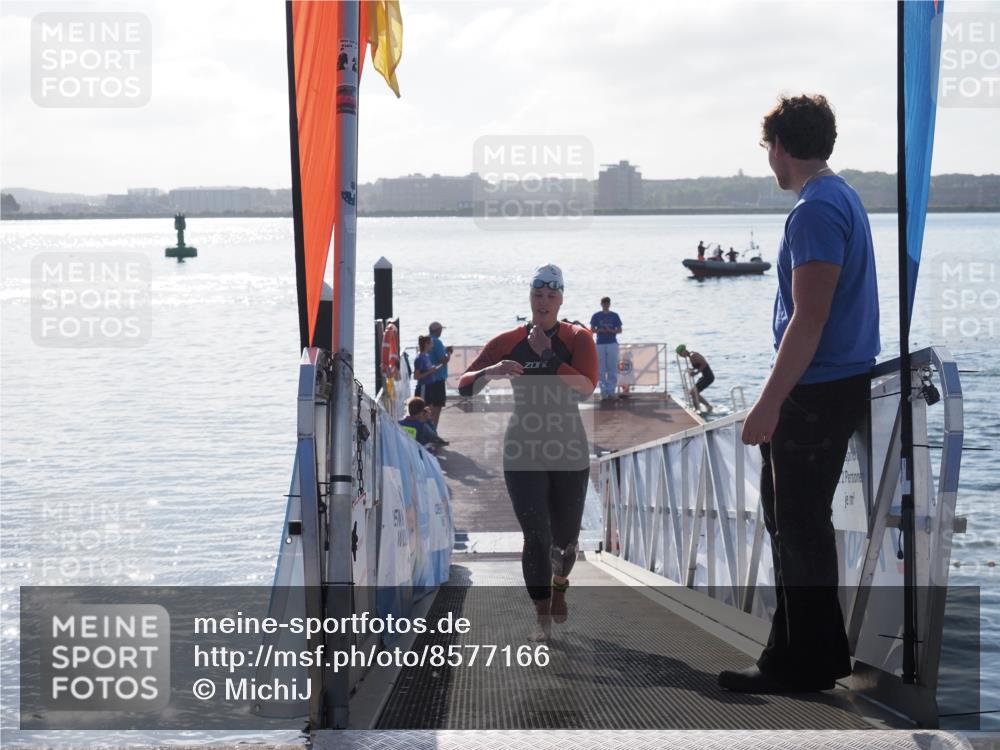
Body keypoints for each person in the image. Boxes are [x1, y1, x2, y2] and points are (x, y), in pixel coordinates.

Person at [718, 94, 879, 694]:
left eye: (769, 148)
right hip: (833, 383)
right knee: (796, 524)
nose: (770, 160)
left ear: (781, 147)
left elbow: (809, 317)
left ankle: (800, 662)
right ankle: (803, 654)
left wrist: (768, 403)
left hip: (815, 390)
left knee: (798, 526)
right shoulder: (843, 197)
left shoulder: (814, 210)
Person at [458, 264, 598, 640]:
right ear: (530, 298)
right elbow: (464, 386)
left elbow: (587, 387)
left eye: (551, 295)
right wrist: (492, 370)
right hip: (523, 448)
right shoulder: (507, 341)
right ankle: (542, 618)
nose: (544, 301)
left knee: (565, 542)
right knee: (536, 536)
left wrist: (548, 357)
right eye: (538, 294)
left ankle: (560, 585)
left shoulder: (578, 338)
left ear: (561, 299)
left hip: (568, 448)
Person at [589, 297, 623, 401]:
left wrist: (611, 330)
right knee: (601, 369)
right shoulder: (596, 315)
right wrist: (600, 330)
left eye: (607, 303)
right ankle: (603, 392)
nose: (605, 305)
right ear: (601, 304)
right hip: (600, 343)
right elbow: (592, 330)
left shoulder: (614, 315)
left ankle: (611, 391)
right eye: (604, 303)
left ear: (609, 304)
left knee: (612, 368)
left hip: (612, 343)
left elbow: (620, 330)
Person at [425, 321, 451, 432]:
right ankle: (433, 431)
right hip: (438, 379)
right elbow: (443, 359)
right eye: (440, 330)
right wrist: (449, 353)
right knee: (437, 407)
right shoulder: (437, 342)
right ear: (437, 331)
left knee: (429, 406)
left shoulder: (426, 341)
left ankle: (428, 430)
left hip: (428, 379)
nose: (441, 332)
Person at [676, 344, 714, 413]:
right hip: (705, 376)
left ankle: (703, 408)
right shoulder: (691, 356)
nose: (681, 356)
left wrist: (696, 373)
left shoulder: (693, 355)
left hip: (708, 377)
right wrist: (692, 369)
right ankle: (702, 408)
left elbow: (704, 364)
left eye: (680, 354)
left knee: (693, 392)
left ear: (684, 351)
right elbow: (698, 365)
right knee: (693, 392)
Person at [413, 335, 444, 402]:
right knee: (423, 407)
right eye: (431, 343)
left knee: (430, 407)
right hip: (423, 387)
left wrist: (434, 368)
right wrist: (430, 371)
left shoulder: (426, 356)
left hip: (429, 386)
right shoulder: (419, 358)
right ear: (426, 344)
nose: (433, 346)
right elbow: (416, 376)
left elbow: (428, 370)